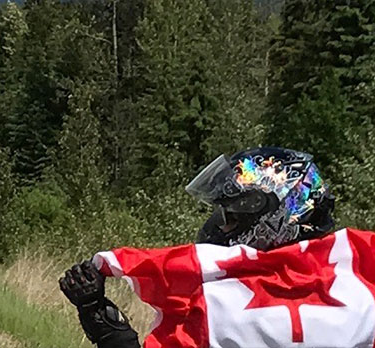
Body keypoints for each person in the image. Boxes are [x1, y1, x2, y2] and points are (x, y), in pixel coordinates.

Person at [60, 146, 335, 348]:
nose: (220, 229)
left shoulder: (230, 307)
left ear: (278, 215)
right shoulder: (347, 299)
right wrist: (98, 316)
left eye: (233, 217)